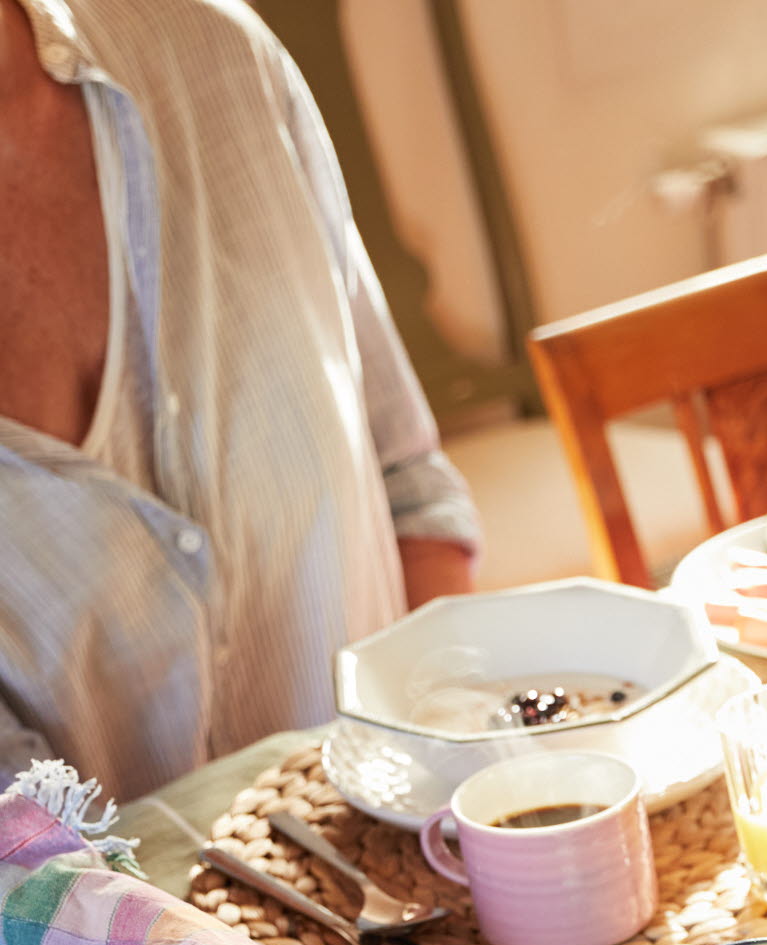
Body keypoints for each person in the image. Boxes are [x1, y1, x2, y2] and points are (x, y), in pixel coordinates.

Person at [0, 0, 479, 799]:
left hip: (403, 872)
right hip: (101, 927)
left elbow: (412, 496)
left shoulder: (212, 49)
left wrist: (439, 800)